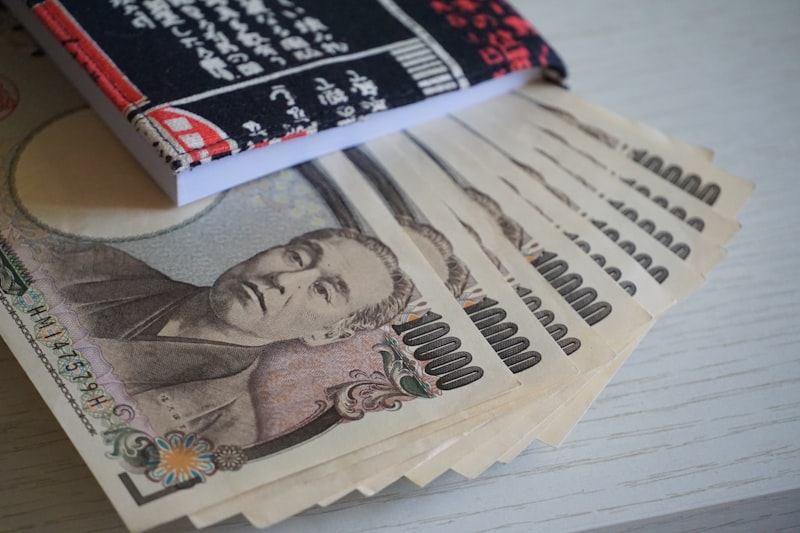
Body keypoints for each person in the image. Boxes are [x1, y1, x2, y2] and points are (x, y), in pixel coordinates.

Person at [48, 227, 413, 445]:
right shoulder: (95, 266)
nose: (283, 281)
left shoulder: (224, 429)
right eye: (298, 257)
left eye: (323, 291)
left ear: (326, 334)